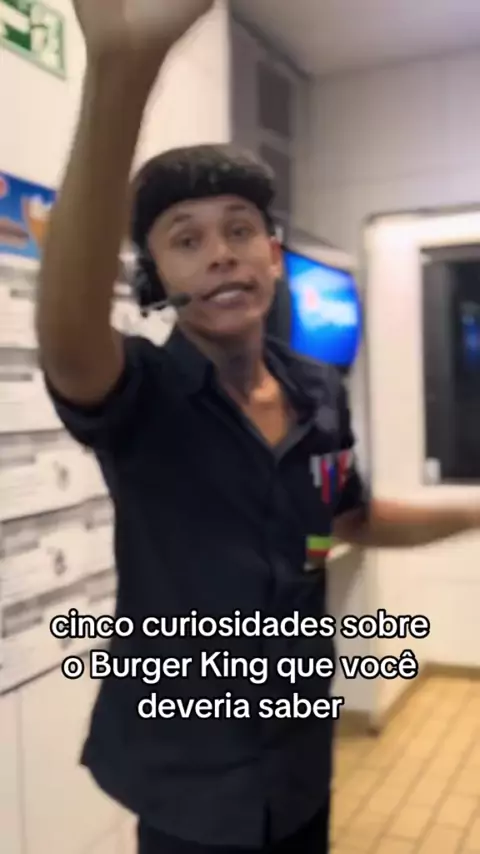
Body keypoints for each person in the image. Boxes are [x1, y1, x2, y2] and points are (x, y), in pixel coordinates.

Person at [36, 2, 480, 852]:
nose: (220, 253)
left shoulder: (318, 391)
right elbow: (68, 340)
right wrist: (124, 73)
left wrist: (473, 509)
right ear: (156, 278)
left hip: (299, 760)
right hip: (191, 789)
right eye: (186, 240)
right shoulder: (143, 395)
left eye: (240, 231)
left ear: (273, 257)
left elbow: (347, 519)